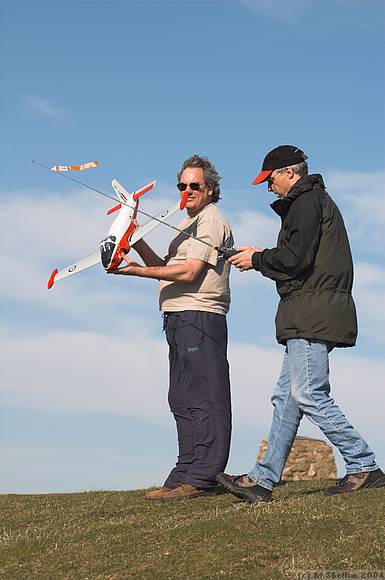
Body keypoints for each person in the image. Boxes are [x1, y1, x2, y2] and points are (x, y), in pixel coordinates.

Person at [217, 145, 384, 503]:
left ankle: (363, 464)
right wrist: (258, 256)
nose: (268, 187)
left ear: (290, 173)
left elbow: (295, 260)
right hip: (307, 309)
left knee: (308, 393)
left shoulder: (306, 202)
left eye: (270, 179)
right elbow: (300, 257)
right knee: (287, 398)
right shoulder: (309, 202)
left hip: (312, 312)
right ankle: (263, 481)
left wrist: (257, 258)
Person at [112, 155, 233, 500]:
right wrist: (135, 242)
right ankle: (183, 473)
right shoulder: (188, 224)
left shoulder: (210, 221)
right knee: (181, 396)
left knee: (203, 395)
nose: (188, 190)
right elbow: (167, 266)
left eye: (195, 185)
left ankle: (202, 477)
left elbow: (189, 272)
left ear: (210, 189)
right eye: (183, 185)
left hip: (200, 315)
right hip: (178, 316)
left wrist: (133, 271)